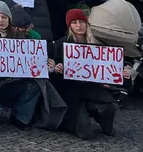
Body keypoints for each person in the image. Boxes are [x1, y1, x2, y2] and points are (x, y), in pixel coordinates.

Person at [0, 1, 66, 132]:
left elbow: (32, 62)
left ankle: (21, 116)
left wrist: (49, 67)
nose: (0, 20)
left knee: (37, 84)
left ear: (9, 19)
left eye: (4, 17)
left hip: (13, 82)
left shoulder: (19, 37)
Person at [49, 9, 126, 139]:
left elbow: (109, 66)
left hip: (91, 87)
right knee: (86, 134)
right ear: (69, 26)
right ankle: (68, 122)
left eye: (81, 22)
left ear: (87, 24)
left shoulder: (97, 44)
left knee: (110, 106)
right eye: (74, 22)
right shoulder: (59, 44)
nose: (79, 26)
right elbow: (50, 71)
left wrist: (121, 72)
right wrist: (56, 69)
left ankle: (102, 120)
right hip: (70, 90)